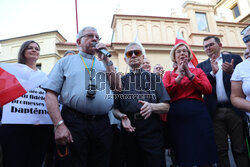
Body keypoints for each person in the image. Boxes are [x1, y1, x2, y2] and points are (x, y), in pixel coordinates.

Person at [42, 26, 122, 167]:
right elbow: (50, 95)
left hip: (102, 124)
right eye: (90, 36)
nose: (95, 39)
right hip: (74, 122)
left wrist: (107, 62)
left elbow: (118, 87)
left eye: (97, 37)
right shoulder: (65, 62)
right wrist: (59, 125)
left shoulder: (105, 64)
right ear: (79, 42)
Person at [113, 42, 170, 167]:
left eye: (137, 52)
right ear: (125, 59)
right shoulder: (120, 81)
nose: (133, 55)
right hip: (129, 129)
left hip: (151, 127)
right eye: (129, 53)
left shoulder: (154, 78)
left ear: (143, 57)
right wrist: (122, 116)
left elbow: (166, 106)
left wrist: (152, 106)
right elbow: (115, 109)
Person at [197, 35, 249, 167]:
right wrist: (212, 74)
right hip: (215, 112)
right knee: (220, 150)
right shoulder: (201, 66)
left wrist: (232, 72)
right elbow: (201, 87)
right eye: (205, 46)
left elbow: (244, 81)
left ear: (219, 45)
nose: (208, 48)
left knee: (240, 148)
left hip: (235, 110)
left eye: (210, 44)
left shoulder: (234, 59)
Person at [0, 40, 54, 167]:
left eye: (37, 48)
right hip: (14, 128)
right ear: (23, 51)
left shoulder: (45, 77)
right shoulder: (11, 71)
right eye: (30, 48)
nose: (34, 50)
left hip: (40, 129)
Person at [162, 42, 217, 167]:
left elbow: (207, 89)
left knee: (203, 151)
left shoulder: (198, 71)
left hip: (198, 115)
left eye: (184, 51)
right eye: (178, 51)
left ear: (189, 55)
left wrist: (190, 75)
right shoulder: (168, 74)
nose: (182, 53)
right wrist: (179, 78)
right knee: (182, 153)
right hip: (177, 118)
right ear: (174, 57)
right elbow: (165, 92)